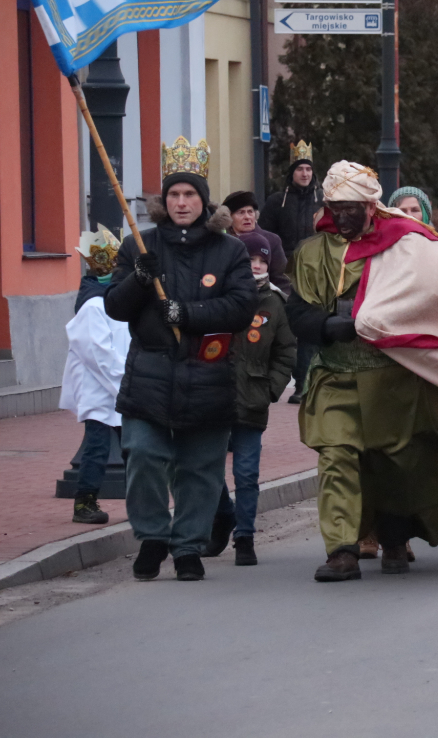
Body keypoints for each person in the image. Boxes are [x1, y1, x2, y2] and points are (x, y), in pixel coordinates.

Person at [286, 160, 438, 582]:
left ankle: (394, 537)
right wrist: (327, 326)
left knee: (394, 464)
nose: (342, 217)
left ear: (371, 207)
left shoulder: (406, 244)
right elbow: (297, 312)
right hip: (335, 374)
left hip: (395, 378)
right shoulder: (312, 253)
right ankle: (342, 549)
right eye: (336, 208)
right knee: (336, 457)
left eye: (352, 209)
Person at [105, 137, 260, 582]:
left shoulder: (229, 250)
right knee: (143, 455)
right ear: (164, 200)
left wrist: (187, 314)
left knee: (200, 469)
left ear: (203, 200)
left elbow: (241, 307)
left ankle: (188, 546)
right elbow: (115, 306)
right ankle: (152, 536)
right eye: (173, 194)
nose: (181, 202)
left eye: (190, 193)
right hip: (149, 375)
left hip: (207, 375)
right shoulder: (139, 245)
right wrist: (139, 280)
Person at [203, 231, 297, 566]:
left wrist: (270, 388)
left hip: (252, 399)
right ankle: (223, 515)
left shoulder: (274, 303)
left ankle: (245, 536)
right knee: (207, 467)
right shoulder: (218, 294)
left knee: (246, 473)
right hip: (213, 394)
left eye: (261, 261)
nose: (256, 266)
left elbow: (286, 351)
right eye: (249, 260)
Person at [60, 227, 130, 525]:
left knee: (132, 445)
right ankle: (84, 501)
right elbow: (97, 353)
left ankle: (140, 498)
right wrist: (123, 383)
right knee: (98, 445)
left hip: (120, 383)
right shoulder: (93, 304)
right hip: (99, 386)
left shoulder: (118, 300)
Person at [259, 140, 324, 403]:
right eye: (300, 169)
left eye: (308, 169)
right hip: (284, 274)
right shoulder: (277, 201)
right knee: (285, 329)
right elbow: (265, 236)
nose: (305, 174)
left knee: (308, 328)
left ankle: (304, 383)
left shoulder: (323, 200)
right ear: (292, 172)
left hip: (316, 273)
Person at [222, 190, 291, 295]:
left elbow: (282, 280)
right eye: (241, 212)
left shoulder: (271, 240)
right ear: (230, 217)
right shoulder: (222, 242)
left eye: (250, 212)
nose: (247, 217)